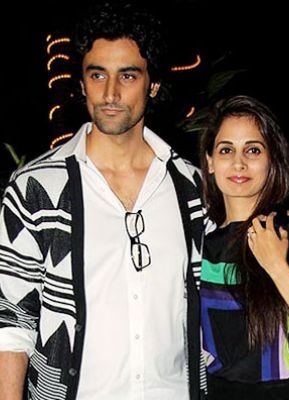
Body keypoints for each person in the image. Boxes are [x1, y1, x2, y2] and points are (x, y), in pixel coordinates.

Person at [0, 4, 206, 400]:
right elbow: (11, 319)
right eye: (97, 75)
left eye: (128, 75)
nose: (111, 93)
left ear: (153, 85)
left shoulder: (193, 190)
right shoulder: (37, 189)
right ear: (82, 83)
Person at [198, 95, 289, 399]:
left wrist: (276, 267)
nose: (239, 163)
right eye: (226, 150)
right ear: (210, 162)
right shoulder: (199, 250)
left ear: (272, 159)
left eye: (253, 150)